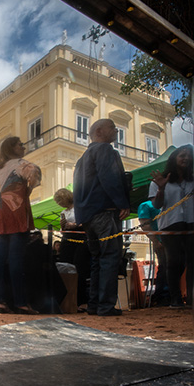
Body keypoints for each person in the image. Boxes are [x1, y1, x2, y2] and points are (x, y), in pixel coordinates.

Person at [73, 119, 130, 316]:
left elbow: (78, 191)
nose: (116, 130)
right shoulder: (105, 150)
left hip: (88, 216)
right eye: (112, 127)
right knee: (110, 257)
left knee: (98, 259)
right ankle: (105, 305)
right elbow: (110, 177)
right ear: (99, 131)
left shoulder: (82, 159)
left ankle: (96, 305)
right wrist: (122, 202)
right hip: (104, 212)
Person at [0, 136, 41, 314]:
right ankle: (20, 302)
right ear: (12, 148)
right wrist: (29, 189)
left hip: (1, 215)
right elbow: (34, 172)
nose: (23, 146)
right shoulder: (20, 164)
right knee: (16, 259)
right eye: (20, 144)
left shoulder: (0, 170)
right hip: (16, 211)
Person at [149, 146, 194, 308]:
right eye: (182, 155)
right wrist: (161, 188)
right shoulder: (159, 180)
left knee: (191, 261)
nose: (186, 158)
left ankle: (191, 299)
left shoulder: (193, 179)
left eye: (189, 156)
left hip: (191, 223)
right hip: (170, 223)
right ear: (174, 158)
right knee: (174, 261)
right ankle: (175, 298)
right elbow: (157, 205)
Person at [53, 187, 90, 308]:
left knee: (79, 269)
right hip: (67, 241)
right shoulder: (63, 213)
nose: (59, 203)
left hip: (80, 240)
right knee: (65, 268)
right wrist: (63, 227)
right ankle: (66, 300)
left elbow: (86, 222)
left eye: (60, 200)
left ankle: (81, 300)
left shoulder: (79, 208)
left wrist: (74, 225)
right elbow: (63, 231)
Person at [137, 198, 169, 305]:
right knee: (165, 266)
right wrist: (155, 241)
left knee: (171, 266)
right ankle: (162, 295)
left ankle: (166, 293)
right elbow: (144, 224)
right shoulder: (145, 205)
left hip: (169, 240)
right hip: (161, 241)